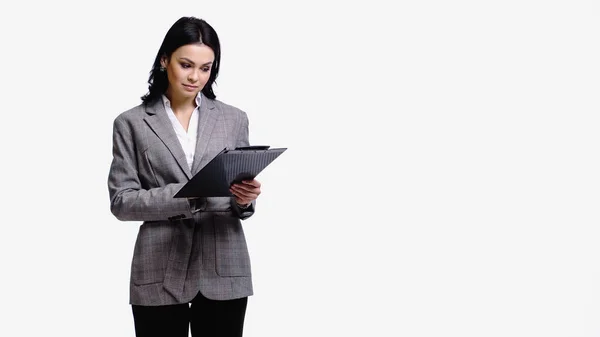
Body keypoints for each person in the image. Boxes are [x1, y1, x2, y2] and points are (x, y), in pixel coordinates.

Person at [107, 16, 261, 337]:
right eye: (186, 65)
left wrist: (244, 200)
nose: (195, 77)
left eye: (205, 68)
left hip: (224, 270)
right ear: (165, 60)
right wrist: (186, 195)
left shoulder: (234, 119)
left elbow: (238, 200)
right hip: (159, 268)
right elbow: (122, 202)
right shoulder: (131, 123)